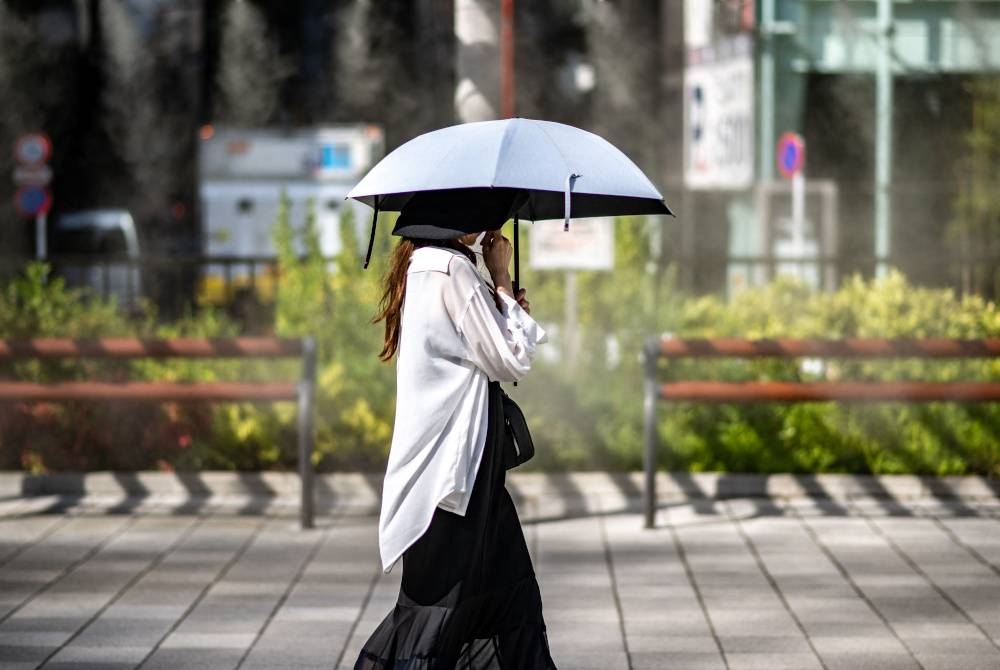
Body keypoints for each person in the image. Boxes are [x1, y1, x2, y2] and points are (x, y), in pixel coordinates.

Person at [354, 228, 557, 669]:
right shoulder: (452, 270)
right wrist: (501, 277)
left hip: (464, 468)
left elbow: (487, 349)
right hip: (458, 473)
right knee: (446, 605)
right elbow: (512, 359)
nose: (486, 227)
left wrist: (503, 309)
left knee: (505, 586)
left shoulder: (426, 264)